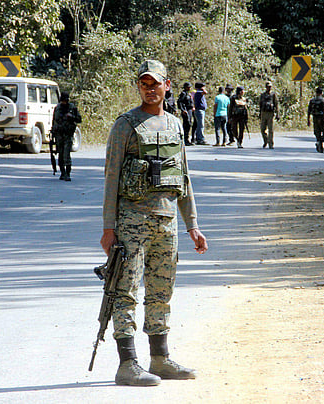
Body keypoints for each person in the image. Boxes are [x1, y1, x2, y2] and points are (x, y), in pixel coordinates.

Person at [100, 59, 208, 387]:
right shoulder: (125, 125)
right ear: (139, 87)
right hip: (131, 221)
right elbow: (111, 177)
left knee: (161, 290)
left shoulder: (175, 124)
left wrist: (192, 225)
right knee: (126, 291)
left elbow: (183, 177)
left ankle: (160, 359)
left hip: (167, 221)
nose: (149, 89)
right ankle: (127, 364)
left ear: (167, 85)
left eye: (155, 84)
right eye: (144, 84)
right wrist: (108, 228)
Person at [50, 92, 82, 181]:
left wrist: (72, 117)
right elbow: (54, 121)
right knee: (60, 153)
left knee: (66, 154)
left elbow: (79, 119)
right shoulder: (57, 108)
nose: (64, 102)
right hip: (59, 134)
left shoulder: (72, 108)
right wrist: (53, 133)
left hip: (68, 134)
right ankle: (62, 172)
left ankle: (67, 173)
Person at [307, 87, 324, 153]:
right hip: (321, 118)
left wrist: (308, 120)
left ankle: (319, 144)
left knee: (317, 132)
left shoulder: (312, 100)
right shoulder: (322, 100)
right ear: (321, 93)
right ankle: (320, 143)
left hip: (315, 117)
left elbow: (309, 111)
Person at [259, 81, 279, 148]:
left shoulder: (273, 95)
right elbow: (260, 104)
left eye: (270, 87)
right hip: (263, 112)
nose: (269, 88)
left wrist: (277, 114)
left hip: (270, 113)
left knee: (270, 129)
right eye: (268, 87)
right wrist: (260, 113)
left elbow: (276, 104)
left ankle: (270, 143)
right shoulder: (262, 95)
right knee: (262, 129)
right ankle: (266, 140)